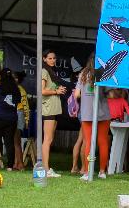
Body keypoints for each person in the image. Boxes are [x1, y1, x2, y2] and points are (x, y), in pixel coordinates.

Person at [72, 57, 112, 181]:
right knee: (103, 141)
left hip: (86, 112)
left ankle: (87, 172)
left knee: (88, 141)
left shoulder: (83, 74)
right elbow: (110, 94)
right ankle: (102, 171)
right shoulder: (104, 73)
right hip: (102, 113)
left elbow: (76, 94)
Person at [39, 50, 67, 178]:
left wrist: (58, 90)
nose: (52, 60)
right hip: (49, 108)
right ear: (44, 59)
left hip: (54, 108)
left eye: (54, 58)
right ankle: (45, 169)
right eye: (49, 58)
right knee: (47, 139)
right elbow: (42, 91)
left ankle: (47, 168)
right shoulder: (44, 71)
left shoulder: (51, 71)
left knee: (49, 139)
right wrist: (56, 91)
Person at [13, 71, 30, 170]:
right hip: (12, 114)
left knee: (16, 141)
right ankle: (16, 163)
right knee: (14, 141)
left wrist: (27, 120)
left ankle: (21, 164)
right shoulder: (11, 88)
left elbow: (25, 106)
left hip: (18, 114)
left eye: (15, 77)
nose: (14, 79)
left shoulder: (21, 90)